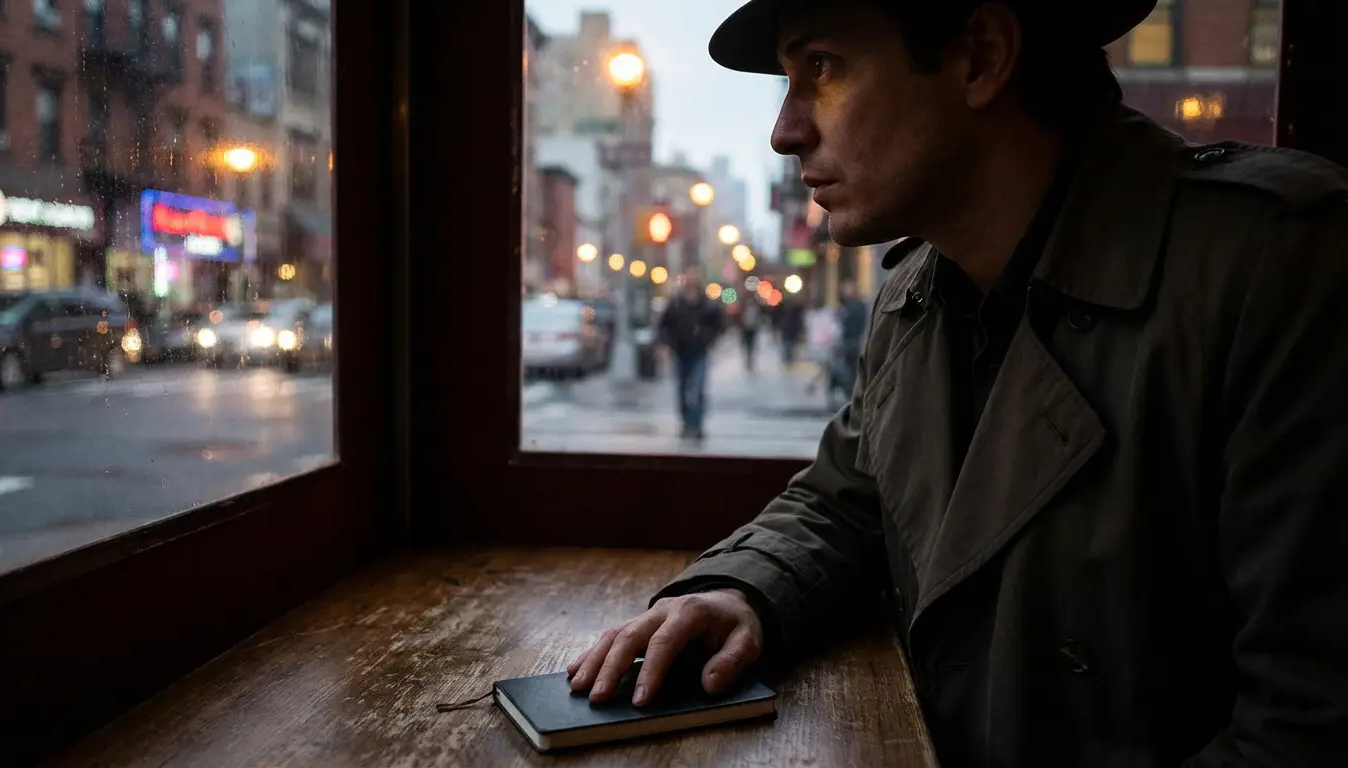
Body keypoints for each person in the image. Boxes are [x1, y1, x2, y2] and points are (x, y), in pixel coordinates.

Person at [566, 0, 1348, 765]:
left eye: (823, 67)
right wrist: (744, 592)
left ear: (980, 57)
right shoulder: (914, 295)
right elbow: (850, 504)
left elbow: (1307, 721)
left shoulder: (1280, 265)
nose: (785, 130)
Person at [659, 272, 726, 439]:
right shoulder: (676, 305)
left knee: (697, 390)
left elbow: (719, 325)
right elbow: (664, 325)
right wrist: (666, 344)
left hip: (699, 353)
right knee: (682, 390)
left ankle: (696, 425)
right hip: (680, 352)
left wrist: (707, 338)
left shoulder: (707, 306)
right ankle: (686, 424)